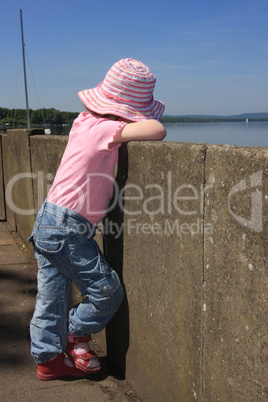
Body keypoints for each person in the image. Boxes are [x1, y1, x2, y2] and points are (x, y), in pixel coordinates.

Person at [28, 58, 166, 381]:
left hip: (49, 220)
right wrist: (134, 122)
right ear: (127, 110)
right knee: (108, 291)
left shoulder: (82, 121)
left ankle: (48, 357)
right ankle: (75, 333)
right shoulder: (106, 129)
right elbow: (157, 130)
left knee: (52, 294)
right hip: (68, 228)